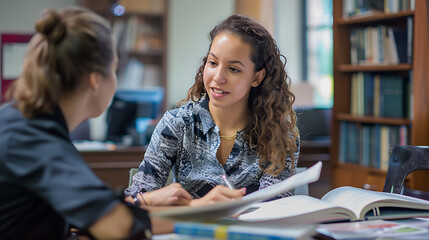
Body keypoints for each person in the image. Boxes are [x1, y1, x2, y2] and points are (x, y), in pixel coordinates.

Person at [0, 7, 243, 240]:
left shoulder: (20, 122)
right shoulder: (35, 140)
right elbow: (116, 226)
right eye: (115, 70)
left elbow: (88, 214)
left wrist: (143, 202)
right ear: (96, 80)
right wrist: (201, 211)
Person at [126, 15, 300, 204]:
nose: (218, 77)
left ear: (257, 77)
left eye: (233, 69)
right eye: (213, 63)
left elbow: (276, 210)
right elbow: (134, 201)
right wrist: (189, 205)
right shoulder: (177, 124)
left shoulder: (279, 135)